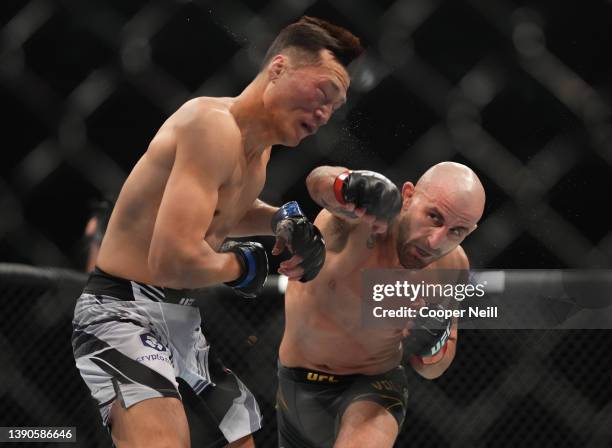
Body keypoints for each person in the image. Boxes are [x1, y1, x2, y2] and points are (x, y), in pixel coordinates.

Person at [71, 16, 363, 448]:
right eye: (322, 93)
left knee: (240, 430)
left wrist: (279, 219)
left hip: (179, 318)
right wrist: (242, 264)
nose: (324, 114)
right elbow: (169, 258)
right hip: (121, 309)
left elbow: (227, 209)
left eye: (335, 108)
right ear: (279, 68)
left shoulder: (257, 155)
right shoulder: (211, 126)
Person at [277, 162, 486, 447]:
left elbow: (434, 368)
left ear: (470, 231)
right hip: (296, 380)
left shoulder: (452, 267)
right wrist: (347, 183)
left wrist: (432, 342)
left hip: (375, 386)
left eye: (457, 231)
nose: (436, 241)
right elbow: (317, 182)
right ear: (409, 196)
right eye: (434, 217)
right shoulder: (361, 219)